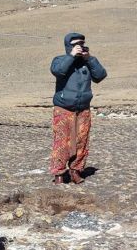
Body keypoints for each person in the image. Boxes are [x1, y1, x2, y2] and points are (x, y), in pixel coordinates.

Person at [49, 32, 107, 184]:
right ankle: (59, 174)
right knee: (62, 141)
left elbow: (100, 76)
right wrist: (71, 56)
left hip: (83, 108)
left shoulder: (87, 62)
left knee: (82, 140)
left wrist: (90, 59)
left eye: (81, 44)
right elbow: (58, 71)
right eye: (76, 44)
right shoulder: (60, 60)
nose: (79, 47)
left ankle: (76, 170)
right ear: (69, 46)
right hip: (63, 108)